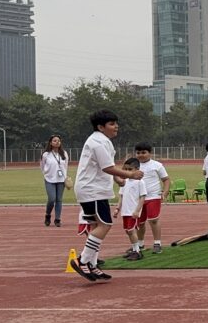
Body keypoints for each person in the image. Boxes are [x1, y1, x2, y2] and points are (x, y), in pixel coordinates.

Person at [69, 110, 144, 282]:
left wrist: (117, 179)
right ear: (100, 127)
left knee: (97, 225)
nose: (116, 126)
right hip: (92, 190)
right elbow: (107, 167)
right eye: (111, 124)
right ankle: (82, 260)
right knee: (105, 224)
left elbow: (105, 166)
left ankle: (92, 264)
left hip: (93, 189)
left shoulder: (101, 141)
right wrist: (130, 175)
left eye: (116, 123)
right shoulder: (98, 142)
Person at [133, 142, 170, 255]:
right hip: (138, 198)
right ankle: (140, 244)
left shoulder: (157, 165)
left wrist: (165, 192)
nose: (141, 155)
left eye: (143, 152)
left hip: (153, 196)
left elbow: (166, 179)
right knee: (140, 222)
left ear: (150, 153)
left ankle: (157, 243)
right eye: (138, 153)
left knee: (153, 220)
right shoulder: (133, 165)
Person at [116, 158, 148, 261]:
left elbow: (142, 197)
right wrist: (117, 208)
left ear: (137, 169)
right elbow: (121, 196)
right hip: (125, 211)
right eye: (125, 169)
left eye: (130, 169)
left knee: (131, 230)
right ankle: (134, 249)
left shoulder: (140, 182)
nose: (127, 172)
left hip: (133, 212)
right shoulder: (124, 182)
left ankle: (137, 251)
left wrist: (137, 210)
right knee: (128, 231)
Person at [41, 135, 69, 227]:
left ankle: (57, 219)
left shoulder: (64, 153)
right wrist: (46, 174)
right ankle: (48, 215)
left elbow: (65, 166)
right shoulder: (46, 154)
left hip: (61, 180)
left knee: (59, 200)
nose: (57, 142)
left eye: (58, 141)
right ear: (50, 143)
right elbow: (42, 166)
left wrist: (65, 177)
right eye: (54, 141)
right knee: (52, 199)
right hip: (49, 179)